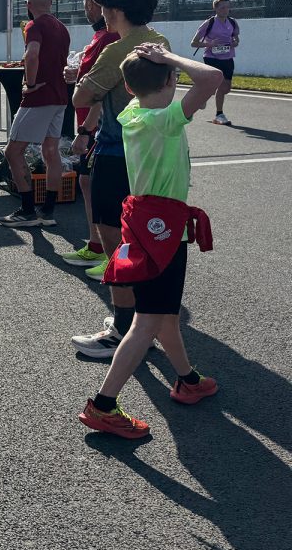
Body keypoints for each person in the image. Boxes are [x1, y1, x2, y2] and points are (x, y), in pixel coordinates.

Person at [77, 42, 221, 438]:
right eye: (174, 75)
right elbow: (213, 78)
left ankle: (188, 379)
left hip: (146, 220)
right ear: (172, 79)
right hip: (162, 228)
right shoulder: (164, 119)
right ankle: (102, 405)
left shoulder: (132, 112)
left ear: (127, 85)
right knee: (146, 322)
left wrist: (159, 67)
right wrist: (170, 57)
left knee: (165, 314)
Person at [72, 0, 168, 357]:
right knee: (146, 239)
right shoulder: (159, 40)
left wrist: (78, 81)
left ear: (115, 9)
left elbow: (81, 97)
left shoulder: (117, 49)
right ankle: (146, 321)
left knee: (118, 242)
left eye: (105, 4)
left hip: (117, 152)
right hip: (154, 154)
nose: (101, 11)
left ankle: (124, 329)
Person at [0, 0, 71, 228]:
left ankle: (27, 209)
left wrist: (30, 83)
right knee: (51, 151)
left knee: (13, 151)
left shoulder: (34, 26)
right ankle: (47, 210)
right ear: (50, 3)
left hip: (40, 97)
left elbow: (33, 55)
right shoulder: (61, 27)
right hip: (60, 96)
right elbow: (53, 57)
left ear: (28, 6)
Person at [62, 0, 120, 268]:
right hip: (90, 122)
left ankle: (113, 258)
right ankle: (97, 245)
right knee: (87, 183)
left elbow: (104, 88)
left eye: (89, 3)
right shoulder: (100, 38)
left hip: (99, 125)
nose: (86, 8)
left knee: (101, 188)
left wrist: (86, 131)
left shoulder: (110, 38)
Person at [190, 0, 240, 126]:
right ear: (216, 8)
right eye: (222, 7)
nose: (226, 10)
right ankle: (219, 114)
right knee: (214, 85)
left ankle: (205, 95)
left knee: (226, 88)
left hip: (228, 58)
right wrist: (210, 44)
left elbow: (236, 39)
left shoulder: (232, 22)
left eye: (228, 7)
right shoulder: (209, 23)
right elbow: (193, 43)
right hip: (212, 58)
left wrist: (235, 43)